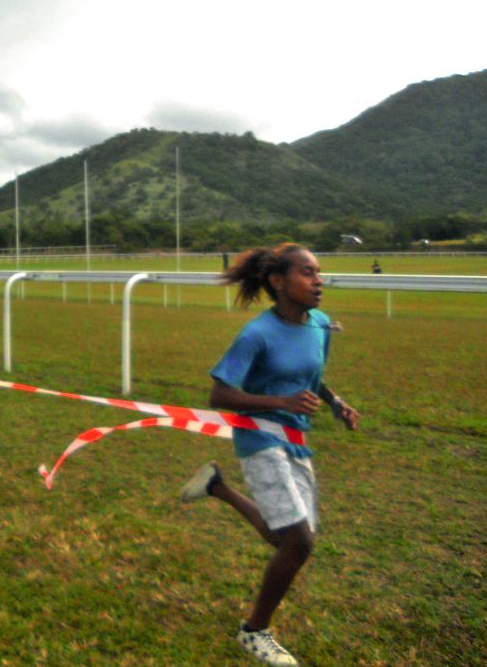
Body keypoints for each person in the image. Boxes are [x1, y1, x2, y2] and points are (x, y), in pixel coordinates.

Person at [179, 243, 359, 666]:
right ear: (279, 282)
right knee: (299, 541)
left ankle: (216, 486)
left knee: (285, 537)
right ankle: (254, 631)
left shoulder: (318, 324)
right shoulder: (256, 333)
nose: (318, 281)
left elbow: (312, 379)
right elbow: (219, 393)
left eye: (319, 272)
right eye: (308, 273)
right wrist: (280, 404)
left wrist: (335, 402)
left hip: (297, 438)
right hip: (260, 440)